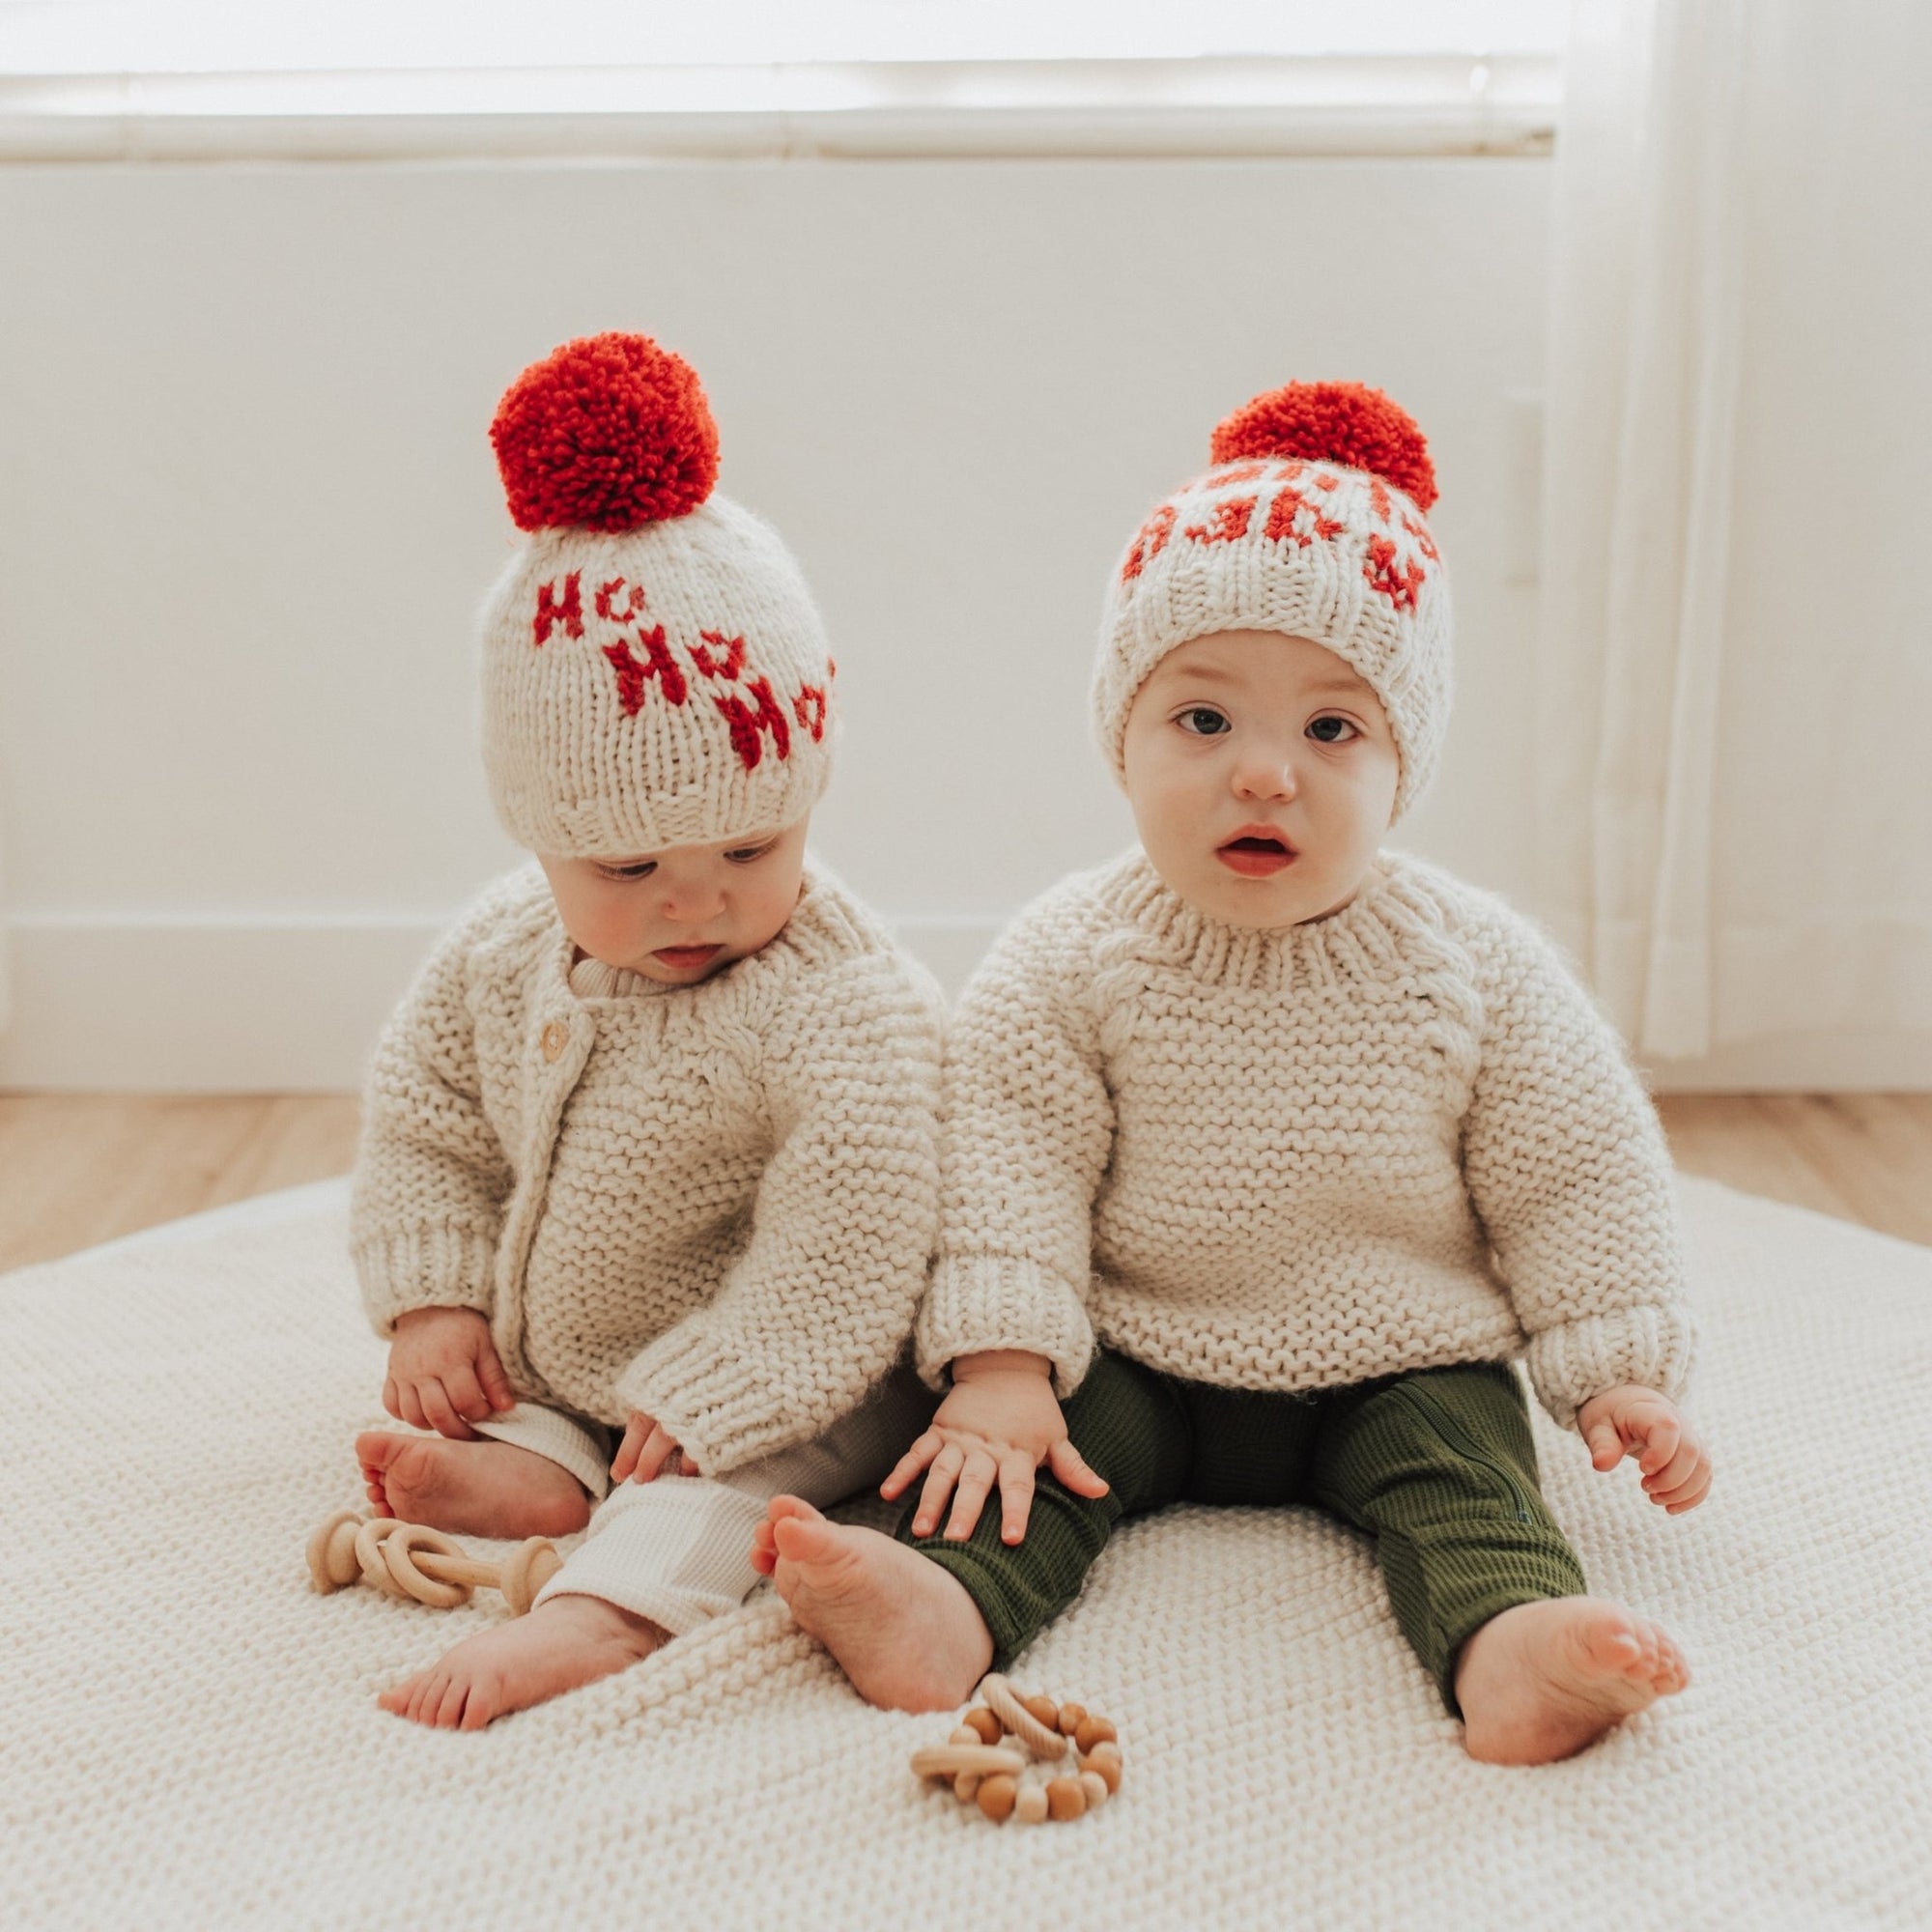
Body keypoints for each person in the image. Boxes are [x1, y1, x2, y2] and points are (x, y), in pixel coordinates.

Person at [754, 381, 1712, 1766]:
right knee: (1025, 1470)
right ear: (1123, 736)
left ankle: (1515, 1647)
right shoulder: (1074, 954)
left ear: (1403, 764)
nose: (1264, 775)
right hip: (1141, 1346)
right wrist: (1006, 1363)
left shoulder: (1474, 962)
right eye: (1204, 721)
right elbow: (1005, 1155)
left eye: (1332, 731)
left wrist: (1619, 1370)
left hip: (1404, 1356)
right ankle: (943, 1609)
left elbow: (1576, 1166)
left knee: (1468, 1482)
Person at [349, 331, 942, 1730]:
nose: (698, 899)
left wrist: (738, 1375)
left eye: (751, 845)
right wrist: (436, 1296)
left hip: (816, 1366)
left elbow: (857, 1216)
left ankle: (602, 1614)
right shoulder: (501, 951)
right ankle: (544, 1462)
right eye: (626, 869)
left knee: (707, 1487)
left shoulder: (835, 998)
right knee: (515, 1398)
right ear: (541, 836)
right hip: (592, 1352)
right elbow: (425, 1115)